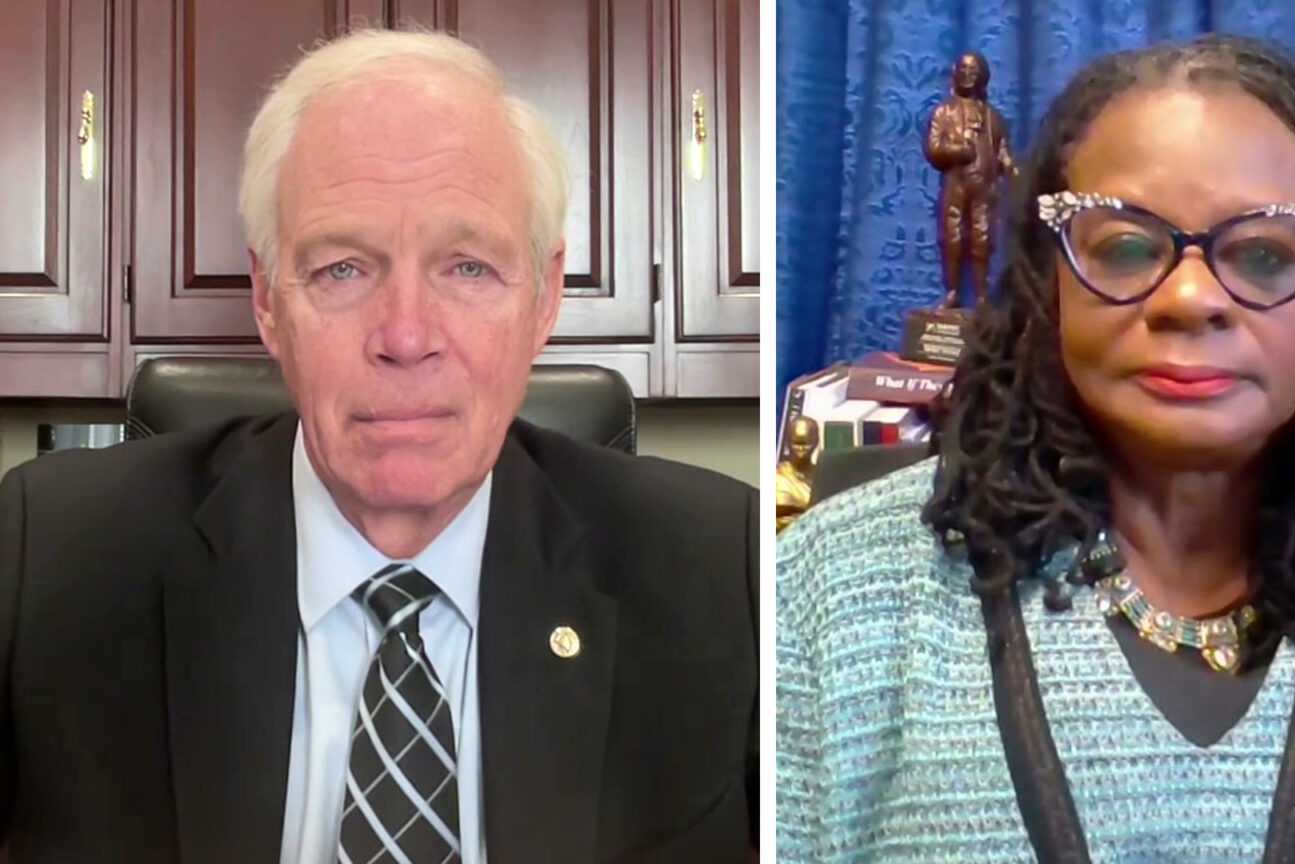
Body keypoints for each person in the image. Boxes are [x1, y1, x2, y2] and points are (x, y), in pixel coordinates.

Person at [0, 30, 757, 863]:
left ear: (542, 301)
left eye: (467, 268)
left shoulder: (726, 575)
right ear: (266, 301)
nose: (405, 336)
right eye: (342, 270)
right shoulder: (47, 560)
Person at [778, 34, 1295, 862]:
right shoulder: (833, 592)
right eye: (1128, 247)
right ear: (1047, 279)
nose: (1189, 298)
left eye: (1262, 253)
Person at [924, 51, 1017, 308]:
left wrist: (1012, 170)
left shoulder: (993, 118)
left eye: (973, 71)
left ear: (983, 77)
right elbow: (932, 148)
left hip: (984, 189)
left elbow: (1003, 152)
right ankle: (952, 292)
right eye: (962, 70)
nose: (967, 75)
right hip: (955, 186)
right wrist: (958, 151)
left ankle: (980, 296)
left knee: (982, 238)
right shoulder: (944, 113)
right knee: (951, 236)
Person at [775, 416, 819, 533]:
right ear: (787, 442)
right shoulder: (777, 478)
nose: (801, 450)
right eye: (797, 443)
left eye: (806, 444)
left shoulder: (823, 477)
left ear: (816, 442)